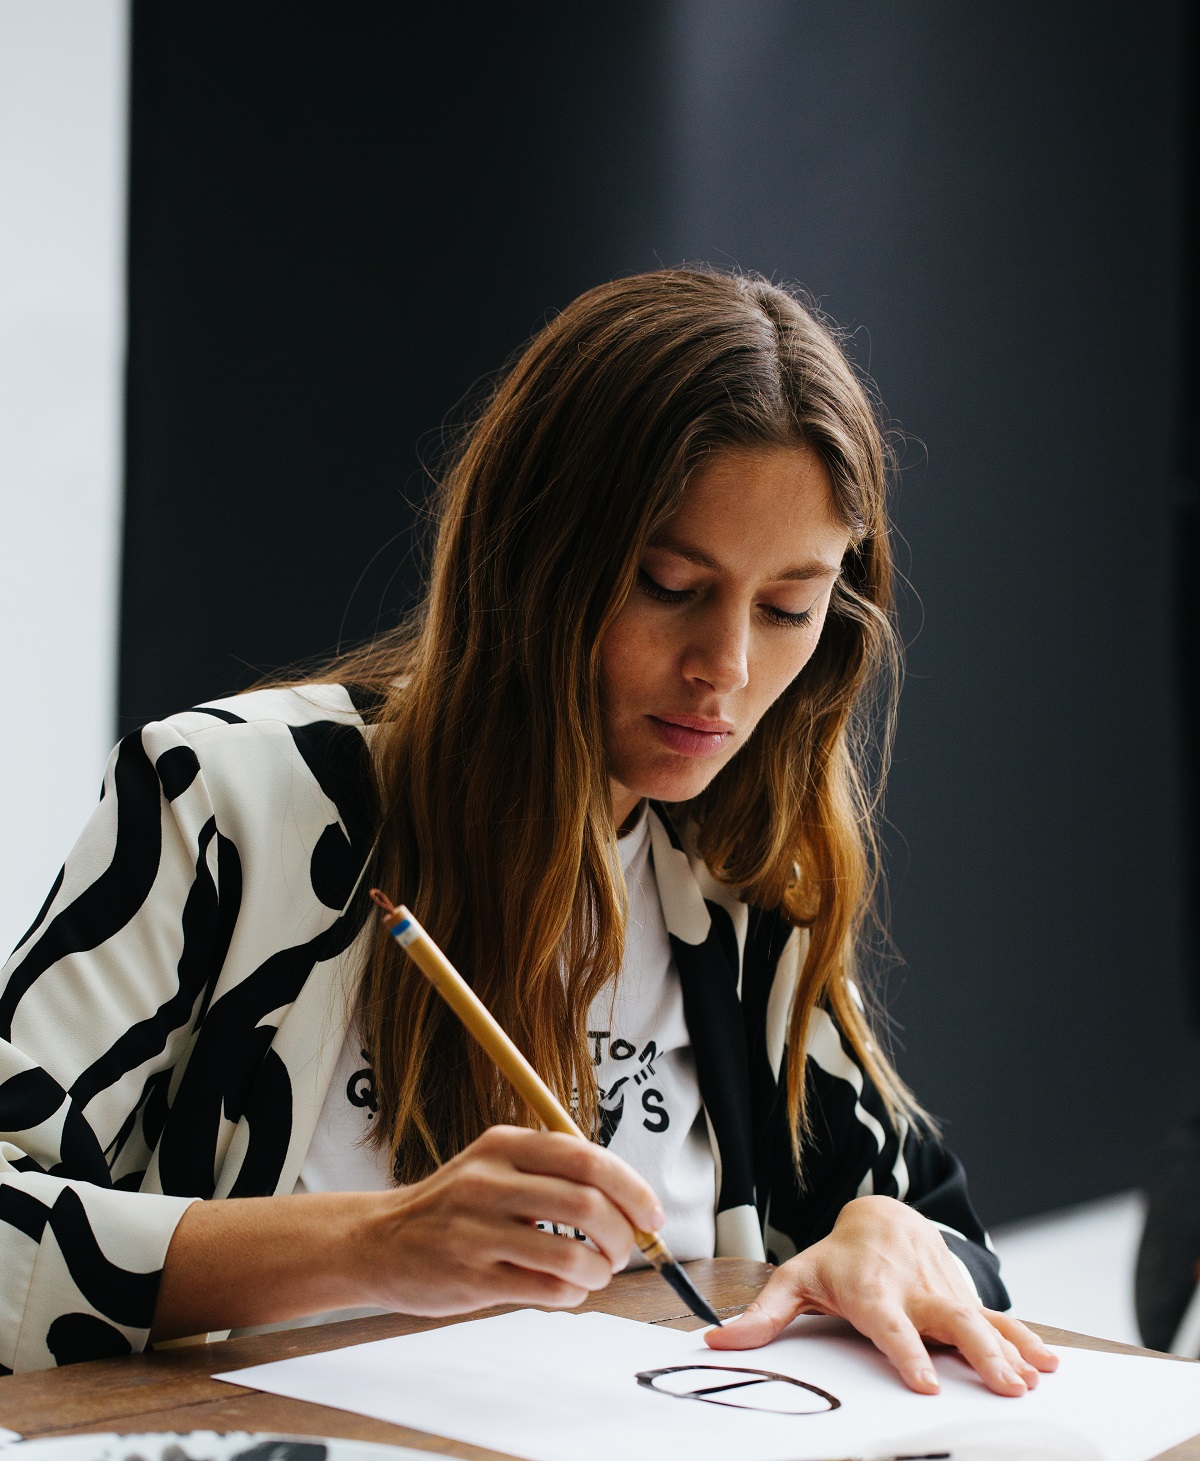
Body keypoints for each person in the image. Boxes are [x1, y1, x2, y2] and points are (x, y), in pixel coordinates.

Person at [0, 268, 1056, 1396]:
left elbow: (961, 1256)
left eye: (791, 607)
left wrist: (891, 1235)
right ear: (534, 556)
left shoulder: (740, 889)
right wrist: (373, 1245)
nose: (728, 670)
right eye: (667, 585)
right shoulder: (231, 804)